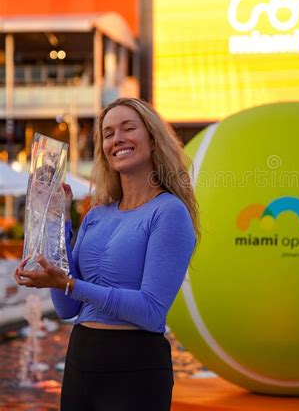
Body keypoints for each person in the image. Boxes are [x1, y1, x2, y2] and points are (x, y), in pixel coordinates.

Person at [14, 97, 199, 410]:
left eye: (129, 128)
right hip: (81, 359)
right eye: (109, 133)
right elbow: (67, 308)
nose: (118, 139)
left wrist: (68, 284)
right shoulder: (96, 214)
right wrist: (56, 220)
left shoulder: (169, 212)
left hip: (135, 366)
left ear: (153, 140)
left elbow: (151, 310)